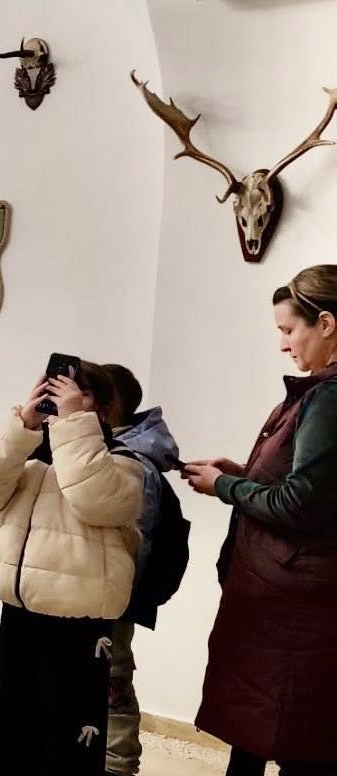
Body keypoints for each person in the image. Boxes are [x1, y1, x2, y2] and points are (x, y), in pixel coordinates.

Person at [181, 265, 337, 776]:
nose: (283, 344)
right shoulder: (319, 393)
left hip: (295, 609)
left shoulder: (329, 398)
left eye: (289, 330)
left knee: (297, 743)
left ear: (326, 324)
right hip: (289, 600)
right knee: (269, 735)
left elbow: (301, 505)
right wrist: (243, 474)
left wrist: (225, 487)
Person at [0, 362, 144, 776]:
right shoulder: (30, 457)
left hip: (79, 625)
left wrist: (73, 423)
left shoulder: (122, 461)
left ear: (101, 407)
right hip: (20, 611)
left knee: (67, 743)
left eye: (79, 393)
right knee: (15, 733)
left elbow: (96, 500)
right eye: (53, 389)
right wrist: (22, 425)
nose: (62, 398)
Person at [99, 364, 183, 776]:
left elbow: (136, 544)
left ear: (109, 404)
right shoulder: (106, 451)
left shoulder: (132, 463)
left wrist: (114, 599)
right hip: (96, 593)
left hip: (112, 599)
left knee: (112, 682)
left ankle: (118, 765)